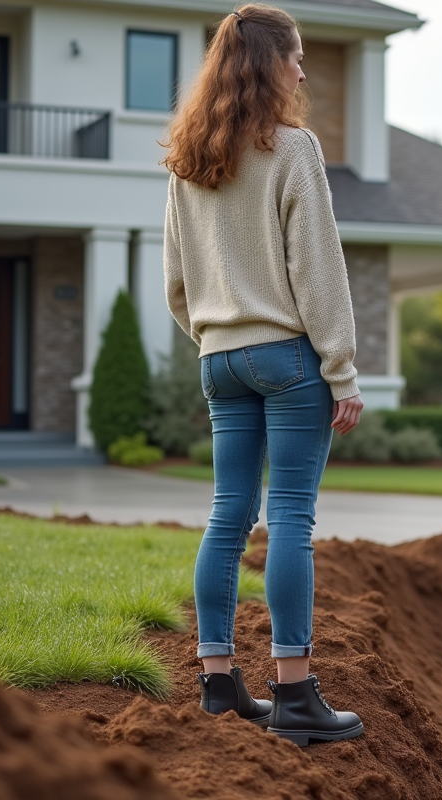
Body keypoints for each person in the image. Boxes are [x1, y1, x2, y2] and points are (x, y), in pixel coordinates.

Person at [162, 4, 364, 747]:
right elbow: (319, 271)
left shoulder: (188, 160)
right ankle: (296, 694)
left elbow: (176, 285)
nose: (304, 71)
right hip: (286, 360)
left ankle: (218, 682)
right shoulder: (293, 150)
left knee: (227, 516)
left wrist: (217, 341)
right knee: (291, 521)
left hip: (220, 360)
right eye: (297, 58)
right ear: (269, 65)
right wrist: (340, 371)